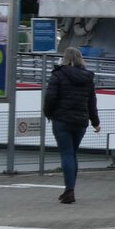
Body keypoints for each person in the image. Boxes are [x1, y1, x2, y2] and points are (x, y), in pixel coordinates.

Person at [44, 47, 101, 204]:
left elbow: (50, 97)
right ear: (80, 58)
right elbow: (92, 103)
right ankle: (70, 189)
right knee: (73, 154)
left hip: (62, 120)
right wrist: (95, 122)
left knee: (67, 154)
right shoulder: (87, 78)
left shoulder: (58, 75)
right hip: (80, 122)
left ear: (65, 58)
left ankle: (69, 191)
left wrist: (48, 113)